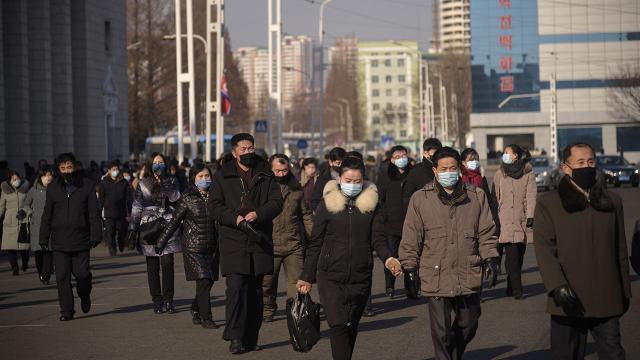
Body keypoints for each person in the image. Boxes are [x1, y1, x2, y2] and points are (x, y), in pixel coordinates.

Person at [297, 157, 403, 360]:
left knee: (351, 325)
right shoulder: (327, 204)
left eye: (358, 181)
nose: (353, 185)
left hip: (360, 274)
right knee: (337, 325)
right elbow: (315, 243)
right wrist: (306, 276)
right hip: (330, 275)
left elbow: (378, 239)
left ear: (364, 179)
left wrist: (389, 259)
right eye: (348, 180)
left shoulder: (372, 204)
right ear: (339, 179)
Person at [399, 147, 499, 360]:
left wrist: (490, 258)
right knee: (441, 332)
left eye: (453, 168)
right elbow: (410, 236)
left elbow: (487, 232)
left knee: (469, 323)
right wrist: (410, 268)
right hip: (435, 272)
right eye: (444, 168)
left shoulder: (476, 196)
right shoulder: (420, 199)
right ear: (435, 170)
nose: (448, 172)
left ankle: (452, 355)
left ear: (460, 169)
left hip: (468, 270)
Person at [534, 143, 631, 360]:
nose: (586, 167)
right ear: (565, 168)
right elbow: (543, 249)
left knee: (613, 353)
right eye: (580, 163)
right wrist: (557, 286)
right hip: (568, 300)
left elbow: (620, 249)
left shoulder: (612, 201)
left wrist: (625, 290)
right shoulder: (549, 203)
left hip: (607, 296)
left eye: (590, 162)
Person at [209, 133, 283, 354]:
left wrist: (258, 214)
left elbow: (276, 202)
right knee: (236, 289)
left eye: (251, 148)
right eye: (244, 149)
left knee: (255, 292)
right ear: (234, 152)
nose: (248, 152)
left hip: (259, 239)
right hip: (233, 240)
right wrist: (236, 218)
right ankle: (235, 336)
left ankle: (251, 337)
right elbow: (214, 206)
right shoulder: (223, 175)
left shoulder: (265, 172)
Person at [155, 162, 219, 329]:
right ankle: (207, 318)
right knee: (203, 280)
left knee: (209, 281)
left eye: (207, 176)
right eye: (200, 176)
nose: (204, 179)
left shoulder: (217, 196)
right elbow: (174, 222)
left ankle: (196, 308)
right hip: (194, 246)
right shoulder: (188, 198)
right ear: (193, 179)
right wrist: (161, 242)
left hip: (212, 246)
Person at [40, 153, 102, 321]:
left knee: (82, 275)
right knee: (62, 277)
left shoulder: (87, 186)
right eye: (62, 168)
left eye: (69, 167)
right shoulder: (53, 188)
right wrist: (43, 237)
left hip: (81, 239)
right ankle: (66, 311)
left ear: (75, 167)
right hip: (59, 240)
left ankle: (85, 294)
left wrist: (96, 235)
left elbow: (94, 213)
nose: (66, 171)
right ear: (58, 170)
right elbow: (47, 214)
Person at [128, 153, 182, 314]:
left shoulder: (173, 181)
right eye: (155, 162)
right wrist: (133, 228)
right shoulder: (143, 184)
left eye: (161, 162)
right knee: (152, 267)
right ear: (150, 165)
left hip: (168, 226)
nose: (158, 165)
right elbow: (137, 207)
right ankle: (157, 301)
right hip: (149, 227)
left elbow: (175, 200)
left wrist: (164, 183)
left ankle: (169, 300)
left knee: (167, 264)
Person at [262, 154, 313, 323]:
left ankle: (295, 312)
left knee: (296, 283)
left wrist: (314, 238)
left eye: (285, 170)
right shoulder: (263, 188)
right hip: (269, 244)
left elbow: (305, 215)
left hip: (293, 244)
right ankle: (268, 308)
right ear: (270, 169)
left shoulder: (296, 189)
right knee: (267, 284)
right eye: (277, 170)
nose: (282, 174)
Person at [492, 144, 536, 299]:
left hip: (522, 219)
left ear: (516, 156)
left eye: (507, 153)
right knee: (512, 256)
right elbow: (495, 198)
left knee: (519, 257)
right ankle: (518, 290)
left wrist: (531, 215)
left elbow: (531, 196)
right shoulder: (499, 173)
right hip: (504, 220)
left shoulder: (528, 173)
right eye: (504, 153)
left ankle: (511, 286)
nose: (504, 155)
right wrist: (495, 219)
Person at [377, 145, 415, 299]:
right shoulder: (385, 176)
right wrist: (384, 216)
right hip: (391, 224)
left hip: (410, 223)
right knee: (392, 256)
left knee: (410, 257)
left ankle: (411, 289)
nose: (401, 159)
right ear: (392, 160)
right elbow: (380, 198)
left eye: (403, 155)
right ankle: (389, 285)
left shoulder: (412, 174)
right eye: (397, 156)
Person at [23, 166, 55, 284]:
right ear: (40, 177)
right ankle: (41, 272)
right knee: (38, 252)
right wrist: (31, 212)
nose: (48, 178)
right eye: (46, 175)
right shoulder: (33, 190)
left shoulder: (55, 189)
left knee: (49, 251)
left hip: (51, 225)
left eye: (50, 175)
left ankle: (46, 275)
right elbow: (26, 205)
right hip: (37, 225)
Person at [0, 170, 31, 275]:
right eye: (13, 179)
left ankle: (25, 263)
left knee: (24, 247)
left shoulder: (26, 189)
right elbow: (1, 206)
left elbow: (30, 203)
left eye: (17, 178)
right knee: (10, 248)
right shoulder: (5, 191)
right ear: (9, 180)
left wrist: (27, 211)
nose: (16, 180)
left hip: (23, 219)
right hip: (10, 221)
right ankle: (14, 268)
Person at [98, 161, 131, 256]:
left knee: (121, 231)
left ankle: (121, 243)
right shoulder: (104, 182)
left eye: (116, 169)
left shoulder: (123, 182)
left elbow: (128, 197)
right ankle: (112, 249)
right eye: (113, 170)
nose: (115, 171)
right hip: (109, 212)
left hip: (121, 212)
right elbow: (101, 198)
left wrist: (130, 210)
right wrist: (99, 210)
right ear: (109, 171)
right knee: (110, 232)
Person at [402, 138, 442, 212]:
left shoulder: (443, 169)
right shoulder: (416, 171)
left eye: (439, 152)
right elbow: (407, 197)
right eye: (434, 153)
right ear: (425, 153)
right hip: (424, 216)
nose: (437, 155)